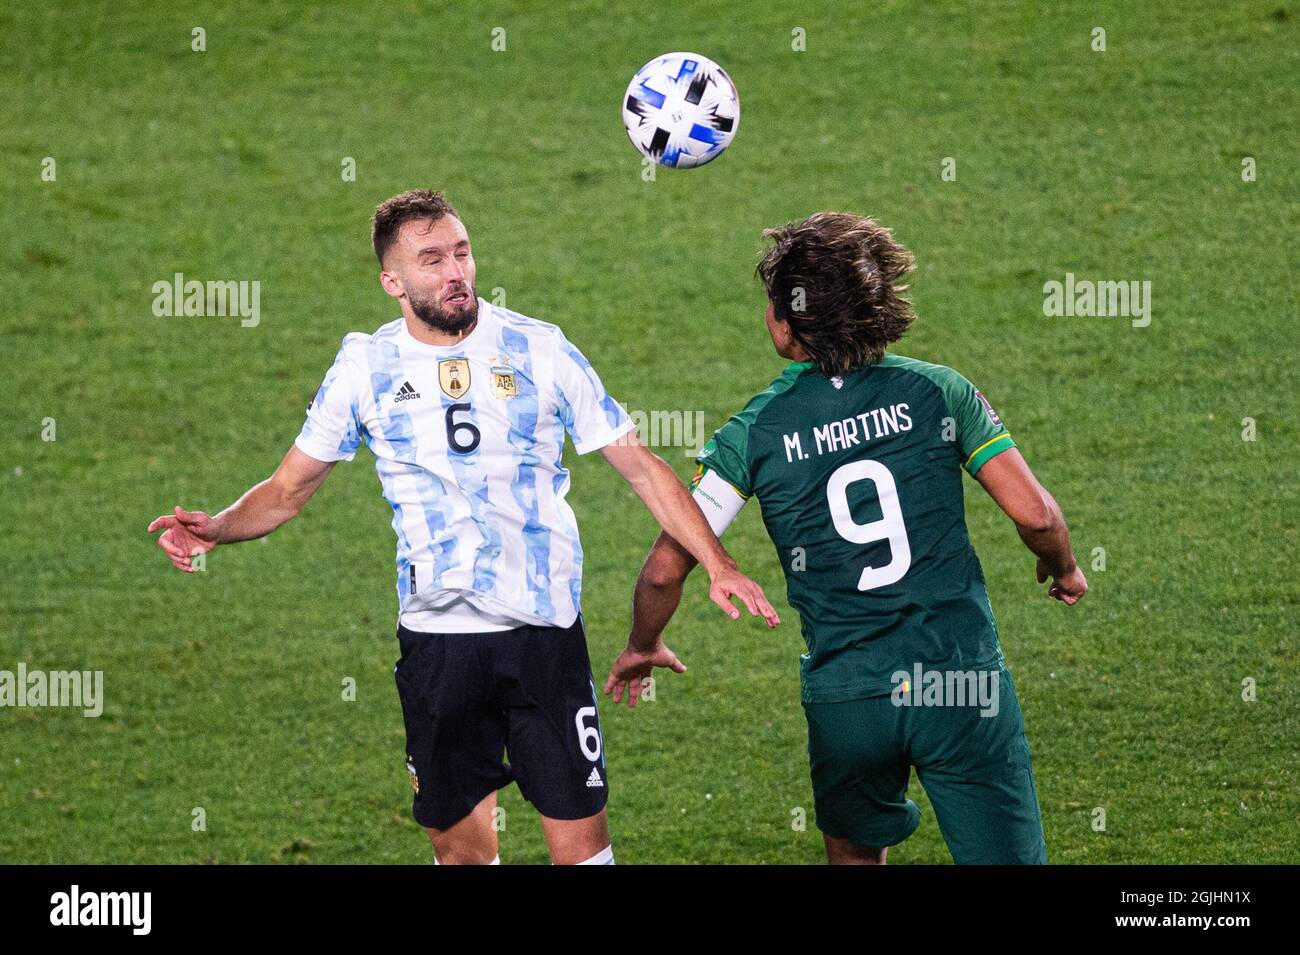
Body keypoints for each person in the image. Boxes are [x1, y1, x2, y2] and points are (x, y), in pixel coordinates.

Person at [147, 189, 778, 865]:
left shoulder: (540, 348)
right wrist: (216, 526)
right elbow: (285, 491)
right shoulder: (364, 367)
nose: (455, 272)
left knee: (585, 852)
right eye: (431, 260)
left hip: (543, 636)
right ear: (393, 280)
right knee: (464, 858)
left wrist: (718, 562)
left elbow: (645, 469)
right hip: (439, 645)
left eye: (462, 252)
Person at [604, 211, 1086, 864]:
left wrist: (643, 643)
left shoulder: (755, 431)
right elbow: (1036, 516)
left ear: (784, 322)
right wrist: (1062, 567)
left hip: (850, 697)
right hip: (961, 682)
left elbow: (665, 568)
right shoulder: (940, 390)